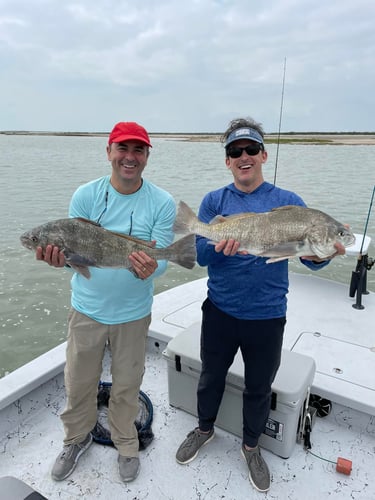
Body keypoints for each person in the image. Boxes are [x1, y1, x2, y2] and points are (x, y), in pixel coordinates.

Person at [175, 117, 346, 493]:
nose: (244, 156)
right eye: (235, 151)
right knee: (210, 376)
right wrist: (220, 247)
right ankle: (204, 429)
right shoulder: (214, 202)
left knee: (259, 387)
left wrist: (325, 252)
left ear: (263, 155)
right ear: (228, 161)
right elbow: (202, 256)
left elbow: (308, 258)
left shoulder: (290, 204)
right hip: (219, 310)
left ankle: (251, 447)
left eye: (251, 149)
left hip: (267, 315)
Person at [36, 121, 176, 483]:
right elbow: (74, 253)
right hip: (87, 310)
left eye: (138, 150)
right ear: (109, 152)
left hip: (133, 314)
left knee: (128, 383)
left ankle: (126, 442)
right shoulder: (85, 195)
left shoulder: (161, 202)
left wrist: (152, 268)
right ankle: (76, 438)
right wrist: (62, 260)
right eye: (122, 149)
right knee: (78, 382)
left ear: (146, 156)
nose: (129, 158)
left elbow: (159, 262)